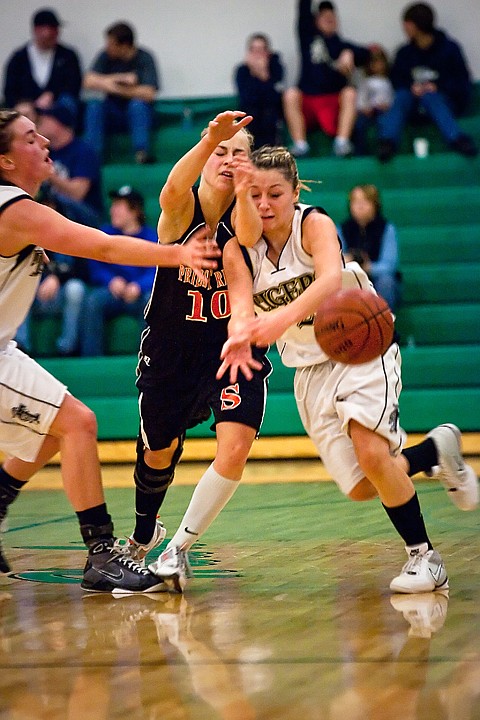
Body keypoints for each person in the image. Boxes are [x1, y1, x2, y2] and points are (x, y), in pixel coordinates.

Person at [217, 144, 478, 594]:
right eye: (254, 194)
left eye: (275, 194)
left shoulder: (313, 224)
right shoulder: (240, 248)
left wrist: (273, 321)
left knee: (373, 455)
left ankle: (425, 558)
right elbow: (241, 289)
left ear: (296, 191)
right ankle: (436, 451)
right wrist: (241, 332)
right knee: (361, 485)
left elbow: (330, 281)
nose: (264, 204)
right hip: (309, 370)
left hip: (361, 348)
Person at [0, 108, 220, 592]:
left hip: (4, 348)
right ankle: (101, 555)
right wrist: (178, 253)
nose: (44, 141)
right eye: (29, 138)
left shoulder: (25, 203)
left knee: (51, 429)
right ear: (7, 161)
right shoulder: (14, 209)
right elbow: (102, 248)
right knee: (77, 423)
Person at [115, 111, 271, 593]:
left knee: (236, 446)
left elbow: (246, 238)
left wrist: (245, 189)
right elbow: (168, 192)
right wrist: (210, 141)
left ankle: (177, 547)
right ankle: (146, 530)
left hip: (230, 347)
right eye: (220, 153)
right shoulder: (183, 211)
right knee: (159, 450)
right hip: (171, 348)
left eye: (237, 152)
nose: (227, 160)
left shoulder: (251, 211)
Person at [377, 2, 478, 162]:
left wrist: (437, 87)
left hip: (443, 103)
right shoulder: (405, 53)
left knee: (431, 97)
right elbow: (396, 80)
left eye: (407, 24)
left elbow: (461, 82)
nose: (404, 28)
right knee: (402, 95)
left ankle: (457, 139)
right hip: (413, 105)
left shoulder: (449, 49)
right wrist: (412, 88)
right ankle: (387, 142)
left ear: (414, 25)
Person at [283, 0, 370, 158]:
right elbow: (303, 10)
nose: (329, 20)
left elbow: (368, 54)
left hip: (332, 103)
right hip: (308, 101)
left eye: (332, 18)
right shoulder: (307, 38)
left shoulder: (343, 45)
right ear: (316, 21)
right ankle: (300, 145)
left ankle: (342, 143)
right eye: (324, 17)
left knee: (350, 92)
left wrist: (351, 53)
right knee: (290, 94)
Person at [80, 186, 157, 356]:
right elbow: (95, 265)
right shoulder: (106, 234)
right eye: (113, 205)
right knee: (94, 301)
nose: (112, 210)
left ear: (134, 210)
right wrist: (111, 281)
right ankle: (91, 359)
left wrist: (139, 286)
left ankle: (147, 359)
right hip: (112, 292)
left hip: (139, 294)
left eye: (118, 206)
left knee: (152, 302)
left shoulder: (151, 237)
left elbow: (157, 269)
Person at [82, 21, 160, 164]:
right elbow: (88, 81)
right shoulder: (105, 56)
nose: (107, 47)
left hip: (138, 114)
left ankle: (141, 153)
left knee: (138, 105)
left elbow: (149, 93)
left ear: (123, 46)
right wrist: (120, 78)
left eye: (111, 44)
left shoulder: (145, 58)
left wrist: (110, 86)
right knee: (94, 106)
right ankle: (92, 158)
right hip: (113, 112)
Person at [3, 8, 82, 123]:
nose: (53, 33)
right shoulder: (19, 58)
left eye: (55, 29)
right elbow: (10, 90)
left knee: (67, 104)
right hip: (27, 108)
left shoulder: (68, 56)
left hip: (59, 107)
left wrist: (52, 95)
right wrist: (26, 104)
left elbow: (74, 85)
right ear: (36, 30)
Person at [36, 101, 103, 227]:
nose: (39, 124)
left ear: (58, 123)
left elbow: (77, 193)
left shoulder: (83, 151)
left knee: (54, 200)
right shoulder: (47, 151)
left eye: (44, 121)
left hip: (86, 214)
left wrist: (48, 173)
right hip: (57, 208)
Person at [337, 184, 401, 311]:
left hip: (377, 278)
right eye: (355, 201)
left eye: (365, 201)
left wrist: (368, 267)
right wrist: (347, 260)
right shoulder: (342, 229)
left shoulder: (387, 229)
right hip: (351, 275)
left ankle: (384, 322)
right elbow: (336, 260)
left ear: (375, 204)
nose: (360, 206)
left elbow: (390, 265)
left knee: (386, 282)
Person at [15, 251, 88, 357]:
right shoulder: (35, 237)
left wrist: (56, 277)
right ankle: (20, 347)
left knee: (75, 289)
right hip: (35, 293)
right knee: (20, 287)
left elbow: (82, 271)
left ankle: (67, 349)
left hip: (62, 295)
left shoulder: (77, 238)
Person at [234, 33, 285, 149]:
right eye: (254, 50)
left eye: (261, 50)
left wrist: (263, 74)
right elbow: (246, 98)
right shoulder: (242, 71)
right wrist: (253, 73)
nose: (257, 55)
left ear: (268, 53)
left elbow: (274, 98)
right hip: (249, 116)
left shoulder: (276, 68)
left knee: (269, 114)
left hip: (271, 117)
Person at [354, 45, 394, 155]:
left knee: (385, 124)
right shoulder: (366, 82)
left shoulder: (388, 82)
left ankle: (383, 149)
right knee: (359, 125)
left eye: (379, 62)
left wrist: (387, 106)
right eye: (373, 62)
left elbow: (391, 98)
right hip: (368, 112)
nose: (377, 66)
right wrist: (364, 108)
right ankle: (360, 152)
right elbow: (361, 98)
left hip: (383, 112)